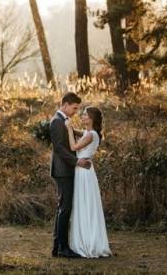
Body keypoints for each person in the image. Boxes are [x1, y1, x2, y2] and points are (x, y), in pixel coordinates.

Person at [65, 106, 112, 258]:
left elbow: (73, 146)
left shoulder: (91, 135)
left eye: (85, 115)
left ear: (91, 119)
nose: (82, 116)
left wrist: (68, 128)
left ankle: (88, 243)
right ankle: (86, 238)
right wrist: (72, 128)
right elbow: (80, 132)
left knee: (85, 205)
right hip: (83, 171)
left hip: (84, 173)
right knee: (84, 205)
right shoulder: (89, 133)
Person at [49, 92, 90, 258]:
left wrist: (90, 133)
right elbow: (59, 148)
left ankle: (57, 247)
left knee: (63, 209)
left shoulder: (64, 121)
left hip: (65, 170)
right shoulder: (56, 122)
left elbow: (72, 136)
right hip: (63, 171)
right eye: (74, 108)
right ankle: (63, 248)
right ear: (65, 104)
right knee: (65, 209)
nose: (75, 112)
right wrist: (76, 162)